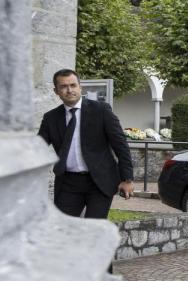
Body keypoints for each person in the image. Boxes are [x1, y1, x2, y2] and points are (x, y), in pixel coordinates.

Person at [37, 68, 134, 221]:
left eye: (73, 85)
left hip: (99, 182)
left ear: (80, 87)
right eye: (63, 87)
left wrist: (127, 179)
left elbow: (121, 145)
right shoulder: (51, 118)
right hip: (68, 183)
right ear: (56, 91)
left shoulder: (101, 111)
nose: (69, 90)